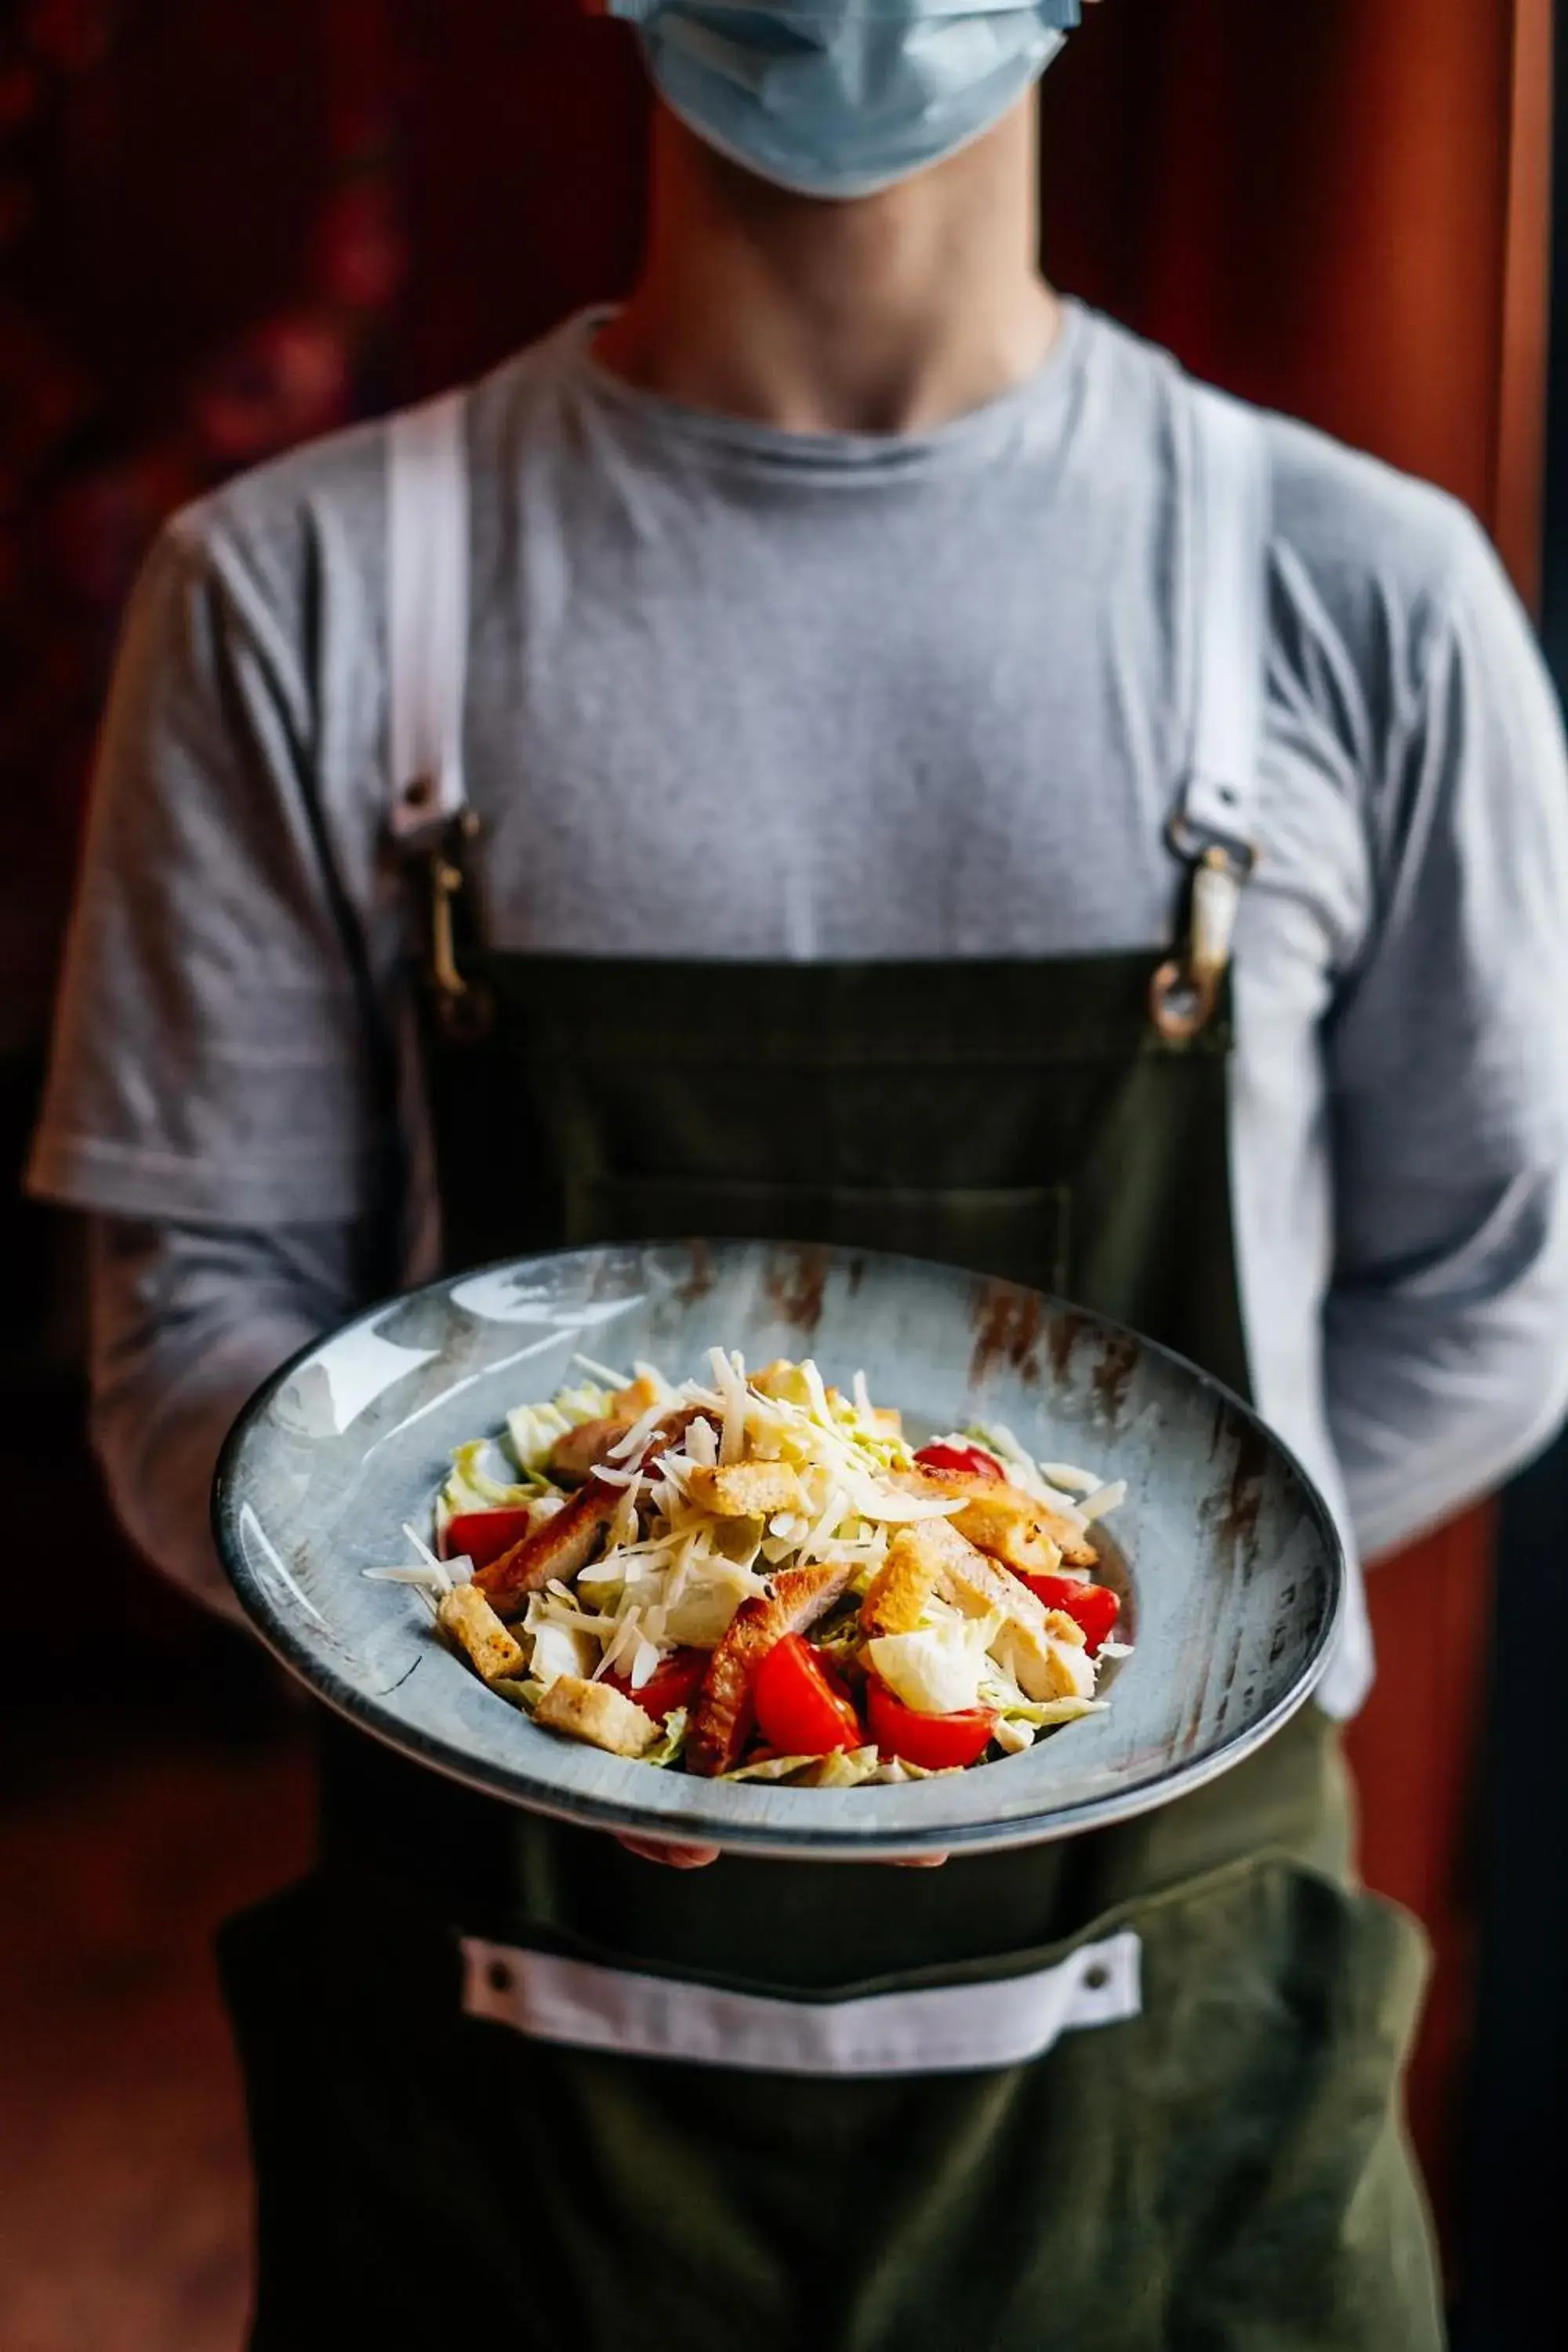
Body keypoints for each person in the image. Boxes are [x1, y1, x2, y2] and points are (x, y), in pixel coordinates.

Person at [28, 2, 1568, 2344]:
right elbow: (182, 1354)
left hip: (1184, 2120)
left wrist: (1126, 1620)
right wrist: (491, 1656)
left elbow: (1510, 1290)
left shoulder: (1359, 593)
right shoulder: (301, 597)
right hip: (507, 2117)